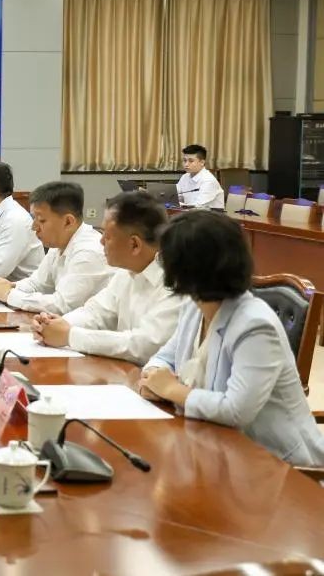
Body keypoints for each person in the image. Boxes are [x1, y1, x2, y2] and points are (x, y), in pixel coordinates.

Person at [140, 211, 324, 466]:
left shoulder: (255, 325)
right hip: (217, 448)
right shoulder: (195, 306)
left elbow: (236, 410)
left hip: (281, 466)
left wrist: (171, 390)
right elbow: (165, 357)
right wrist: (152, 377)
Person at [33, 191, 186, 364]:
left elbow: (145, 345)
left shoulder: (175, 281)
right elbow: (96, 312)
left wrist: (70, 336)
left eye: (107, 236)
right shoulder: (126, 272)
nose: (101, 242)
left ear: (134, 244)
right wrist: (53, 324)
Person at [0, 181, 111, 313]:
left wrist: (9, 295)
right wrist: (10, 287)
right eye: (33, 218)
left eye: (41, 220)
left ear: (68, 222)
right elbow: (38, 283)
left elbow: (63, 305)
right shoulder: (58, 244)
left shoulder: (88, 252)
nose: (34, 227)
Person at [176, 144, 224, 210]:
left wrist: (178, 204)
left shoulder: (209, 180)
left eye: (191, 161)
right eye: (184, 160)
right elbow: (176, 195)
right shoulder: (185, 177)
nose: (186, 164)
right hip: (190, 213)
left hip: (209, 215)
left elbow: (198, 206)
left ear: (202, 162)